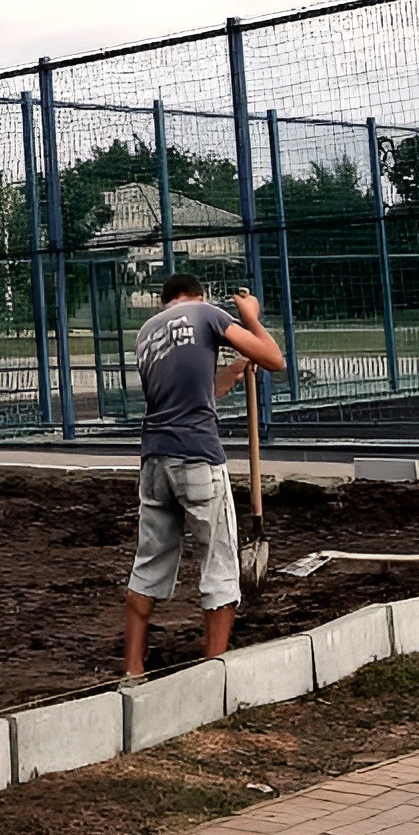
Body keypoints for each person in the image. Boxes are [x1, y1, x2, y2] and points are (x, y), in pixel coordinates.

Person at [123, 271, 285, 678]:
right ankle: (212, 673)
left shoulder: (146, 333)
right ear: (196, 296)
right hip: (197, 457)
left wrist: (229, 373)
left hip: (154, 462)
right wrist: (251, 319)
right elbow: (274, 359)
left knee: (148, 565)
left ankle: (132, 670)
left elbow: (194, 392)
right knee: (219, 566)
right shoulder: (206, 314)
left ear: (165, 301)